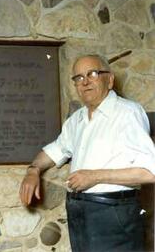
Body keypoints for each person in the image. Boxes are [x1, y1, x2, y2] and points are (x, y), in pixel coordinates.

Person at [19, 54, 155, 252]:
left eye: (92, 73)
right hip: (80, 212)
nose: (85, 82)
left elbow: (150, 172)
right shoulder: (77, 120)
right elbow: (55, 150)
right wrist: (33, 171)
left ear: (109, 80)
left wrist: (95, 176)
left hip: (113, 215)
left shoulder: (127, 113)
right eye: (79, 78)